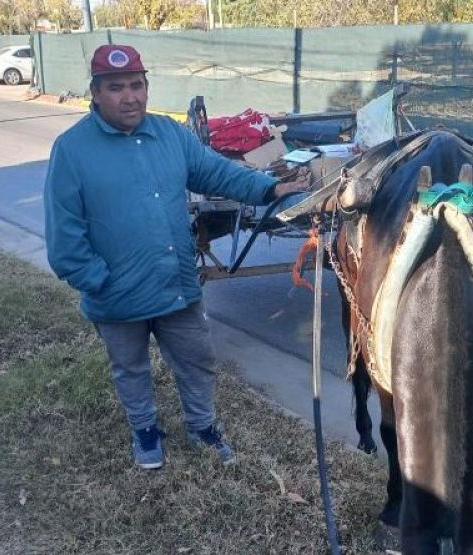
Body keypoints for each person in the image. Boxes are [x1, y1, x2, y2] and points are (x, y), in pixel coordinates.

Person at [43, 44, 308, 470]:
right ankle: (145, 432)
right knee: (130, 370)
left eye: (136, 85)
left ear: (147, 87)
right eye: (115, 88)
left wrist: (266, 188)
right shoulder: (72, 150)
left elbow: (214, 171)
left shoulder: (168, 134)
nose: (129, 96)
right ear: (95, 92)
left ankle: (202, 428)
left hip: (175, 284)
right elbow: (64, 237)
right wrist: (100, 282)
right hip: (116, 296)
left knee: (196, 360)